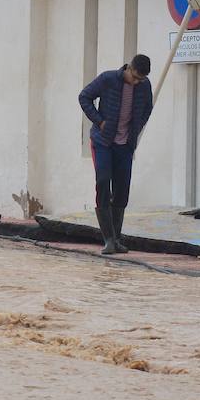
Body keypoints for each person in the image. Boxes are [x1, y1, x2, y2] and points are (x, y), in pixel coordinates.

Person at [77, 54, 154, 255]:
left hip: (125, 146)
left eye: (141, 79)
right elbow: (84, 97)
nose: (136, 82)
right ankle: (108, 240)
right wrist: (100, 122)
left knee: (122, 190)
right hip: (103, 142)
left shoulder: (144, 86)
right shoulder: (108, 79)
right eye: (135, 77)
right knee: (103, 182)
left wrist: (136, 128)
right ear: (128, 68)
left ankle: (117, 239)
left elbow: (148, 107)